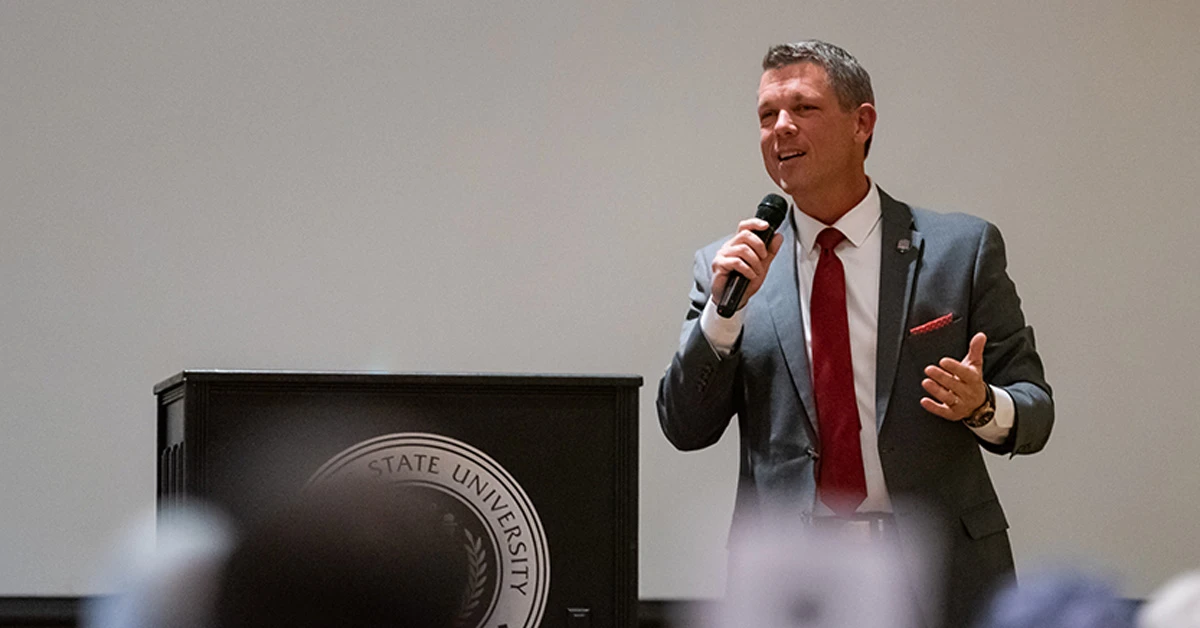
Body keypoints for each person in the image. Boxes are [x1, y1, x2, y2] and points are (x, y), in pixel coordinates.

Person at [656, 40, 1053, 628]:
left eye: (802, 109)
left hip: (936, 570)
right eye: (767, 116)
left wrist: (982, 407)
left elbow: (1036, 411)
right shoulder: (729, 268)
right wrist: (721, 315)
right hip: (793, 584)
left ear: (861, 123)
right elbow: (684, 427)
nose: (780, 128)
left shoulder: (959, 250)